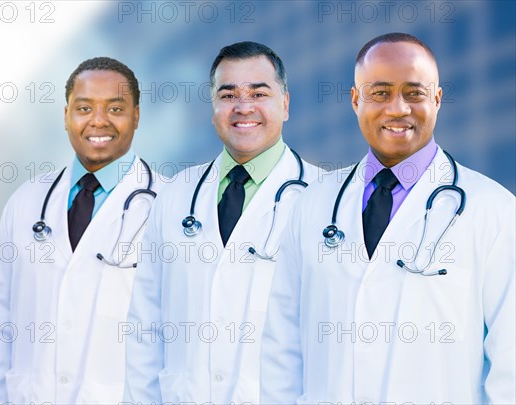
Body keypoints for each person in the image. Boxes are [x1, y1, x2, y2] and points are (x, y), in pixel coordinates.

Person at [261, 32, 515, 405]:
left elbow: (511, 362)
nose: (398, 109)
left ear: (438, 100)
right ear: (355, 100)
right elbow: (281, 344)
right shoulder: (313, 204)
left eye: (414, 93)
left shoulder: (493, 210)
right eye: (380, 92)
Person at [124, 41, 323, 404]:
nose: (243, 107)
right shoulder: (175, 195)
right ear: (213, 107)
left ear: (286, 104)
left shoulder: (324, 200)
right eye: (228, 94)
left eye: (259, 93)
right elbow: (145, 328)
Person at [0, 57, 166, 404]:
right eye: (84, 107)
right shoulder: (26, 202)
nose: (98, 121)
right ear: (66, 117)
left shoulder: (169, 205)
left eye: (115, 108)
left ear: (136, 116)